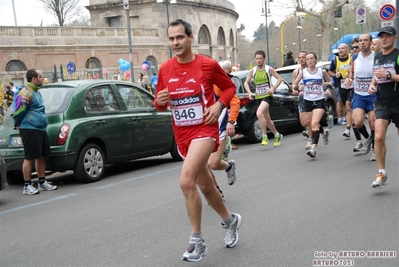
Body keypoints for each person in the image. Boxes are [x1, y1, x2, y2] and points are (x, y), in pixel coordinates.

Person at [153, 19, 242, 262]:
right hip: (183, 135)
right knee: (205, 187)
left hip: (205, 129)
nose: (175, 43)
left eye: (180, 37)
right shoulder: (165, 69)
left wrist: (219, 104)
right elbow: (160, 103)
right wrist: (160, 101)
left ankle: (197, 241)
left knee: (185, 181)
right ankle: (231, 221)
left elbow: (229, 88)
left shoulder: (206, 64)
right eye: (171, 39)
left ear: (190, 38)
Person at [13, 69, 58, 195]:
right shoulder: (26, 92)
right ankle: (27, 185)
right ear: (33, 79)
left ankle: (42, 182)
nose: (42, 78)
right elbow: (19, 111)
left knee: (41, 157)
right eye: (40, 76)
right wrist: (18, 124)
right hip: (30, 128)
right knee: (29, 158)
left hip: (40, 129)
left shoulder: (37, 92)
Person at [368, 26, 399, 189]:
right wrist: (372, 85)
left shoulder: (398, 55)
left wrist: (388, 75)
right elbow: (376, 75)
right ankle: (382, 173)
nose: (384, 39)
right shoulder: (377, 57)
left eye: (388, 36)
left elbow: (385, 75)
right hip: (382, 102)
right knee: (379, 136)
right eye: (382, 36)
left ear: (395, 38)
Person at [207, 60, 240, 201]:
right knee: (201, 165)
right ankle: (217, 192)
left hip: (218, 127)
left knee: (213, 163)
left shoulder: (216, 85)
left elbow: (235, 101)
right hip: (200, 130)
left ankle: (228, 166)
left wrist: (231, 121)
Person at [292, 52, 333, 158]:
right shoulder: (303, 72)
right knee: (309, 123)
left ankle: (313, 149)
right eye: (308, 59)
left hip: (319, 100)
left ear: (315, 60)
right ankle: (324, 133)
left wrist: (328, 89)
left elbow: (329, 81)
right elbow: (294, 84)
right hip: (307, 100)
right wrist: (298, 88)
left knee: (314, 123)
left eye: (311, 58)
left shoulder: (321, 71)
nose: (310, 61)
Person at [244, 50, 284, 147]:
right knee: (267, 119)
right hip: (258, 96)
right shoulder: (252, 70)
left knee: (259, 113)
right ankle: (277, 134)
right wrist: (249, 92)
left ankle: (264, 135)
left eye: (260, 58)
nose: (258, 61)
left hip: (267, 96)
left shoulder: (269, 69)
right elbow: (246, 82)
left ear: (264, 59)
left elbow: (279, 79)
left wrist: (273, 88)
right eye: (257, 59)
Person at [347, 33, 375, 159]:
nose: (362, 43)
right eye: (360, 41)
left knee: (373, 123)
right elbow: (351, 73)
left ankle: (374, 147)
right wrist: (349, 79)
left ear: (370, 42)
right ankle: (368, 139)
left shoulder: (376, 57)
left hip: (373, 94)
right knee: (357, 122)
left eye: (365, 40)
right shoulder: (354, 57)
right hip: (359, 94)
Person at [328, 43, 354, 138]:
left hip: (353, 85)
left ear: (347, 49)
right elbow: (330, 72)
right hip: (341, 85)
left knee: (348, 106)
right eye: (339, 49)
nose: (341, 50)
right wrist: (335, 75)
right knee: (344, 105)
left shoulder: (352, 58)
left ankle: (348, 128)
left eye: (343, 48)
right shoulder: (335, 60)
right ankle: (351, 121)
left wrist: (352, 75)